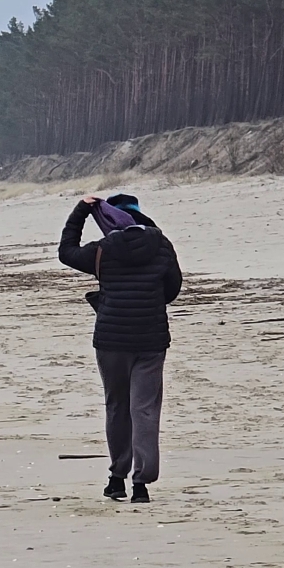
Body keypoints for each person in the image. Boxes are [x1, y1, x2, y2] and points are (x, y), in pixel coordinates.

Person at [57, 193, 181, 503]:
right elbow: (172, 290)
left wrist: (81, 211)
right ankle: (142, 485)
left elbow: (66, 252)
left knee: (117, 407)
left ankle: (117, 478)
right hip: (151, 340)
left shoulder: (102, 251)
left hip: (111, 341)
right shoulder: (162, 246)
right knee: (145, 410)